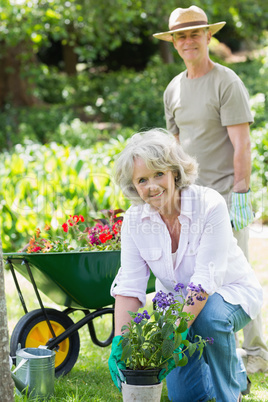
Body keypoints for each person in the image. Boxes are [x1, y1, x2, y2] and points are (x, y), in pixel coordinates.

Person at [153, 5, 268, 374]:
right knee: (197, 276)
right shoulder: (174, 89)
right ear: (173, 41)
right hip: (189, 202)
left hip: (225, 196)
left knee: (239, 276)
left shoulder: (226, 82)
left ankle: (255, 353)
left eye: (194, 33)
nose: (188, 40)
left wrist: (241, 192)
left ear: (207, 36)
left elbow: (242, 145)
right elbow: (174, 147)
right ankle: (213, 350)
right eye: (181, 35)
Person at [108, 129, 263, 402]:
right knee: (185, 397)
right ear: (134, 186)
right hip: (181, 305)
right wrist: (121, 341)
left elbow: (204, 280)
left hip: (230, 294)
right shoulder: (133, 221)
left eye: (158, 174)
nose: (152, 186)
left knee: (210, 318)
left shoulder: (209, 204)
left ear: (175, 173)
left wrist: (176, 333)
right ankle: (233, 367)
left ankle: (231, 393)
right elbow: (130, 286)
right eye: (142, 180)